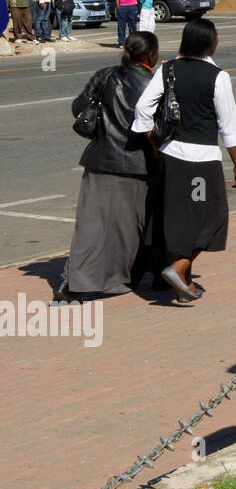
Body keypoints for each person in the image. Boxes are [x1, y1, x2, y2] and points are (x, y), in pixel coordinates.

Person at [131, 18, 236, 301]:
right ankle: (178, 268)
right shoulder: (218, 77)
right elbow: (228, 126)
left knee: (178, 220)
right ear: (209, 44)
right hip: (202, 163)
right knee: (212, 218)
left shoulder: (167, 69)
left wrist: (153, 141)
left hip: (171, 157)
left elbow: (143, 108)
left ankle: (184, 286)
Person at [57, 32, 160, 301]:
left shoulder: (105, 75)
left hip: (100, 160)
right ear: (151, 55)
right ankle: (121, 278)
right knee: (131, 226)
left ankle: (74, 282)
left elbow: (79, 106)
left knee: (90, 227)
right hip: (139, 164)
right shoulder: (154, 83)